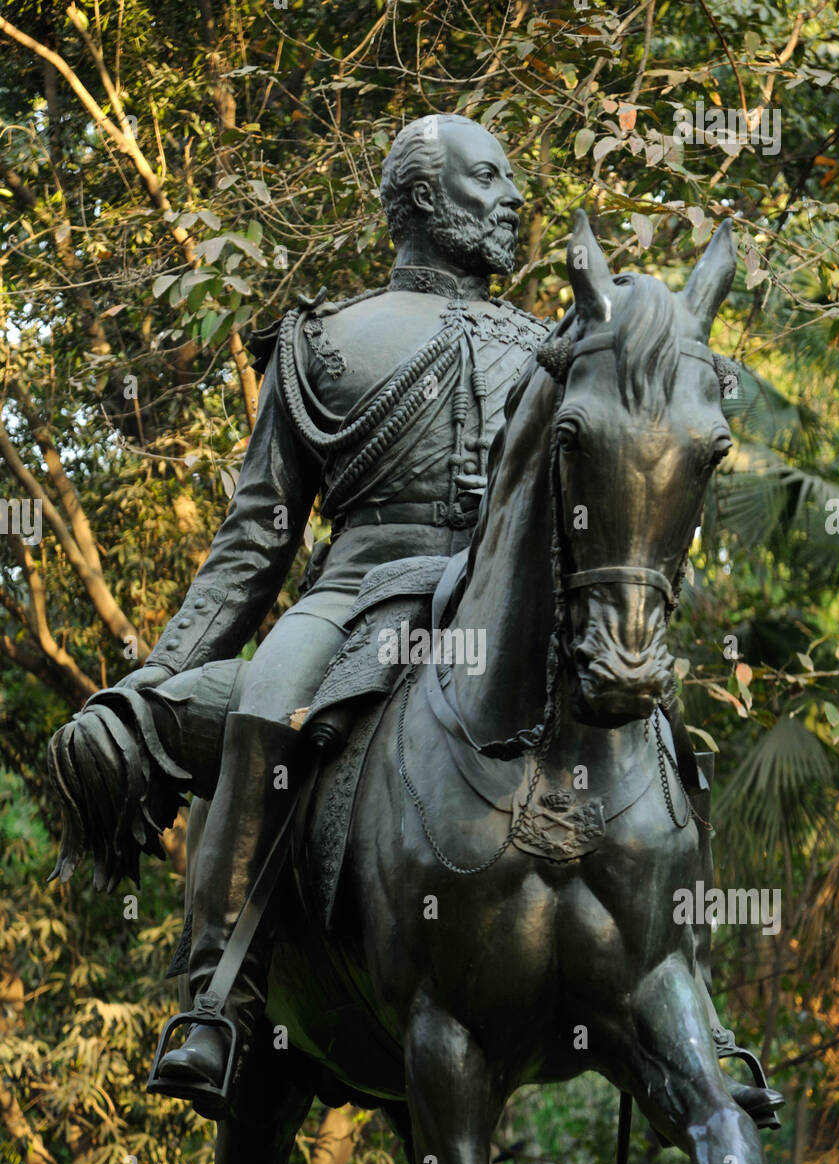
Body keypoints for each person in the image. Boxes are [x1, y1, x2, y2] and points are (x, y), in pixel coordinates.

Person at [118, 114, 550, 1111]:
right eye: (490, 178)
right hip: (358, 595)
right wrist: (165, 663)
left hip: (501, 603)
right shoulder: (323, 340)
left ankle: (688, 991)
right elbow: (257, 541)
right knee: (266, 707)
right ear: (424, 198)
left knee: (652, 726)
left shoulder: (552, 349)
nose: (513, 199)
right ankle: (215, 996)